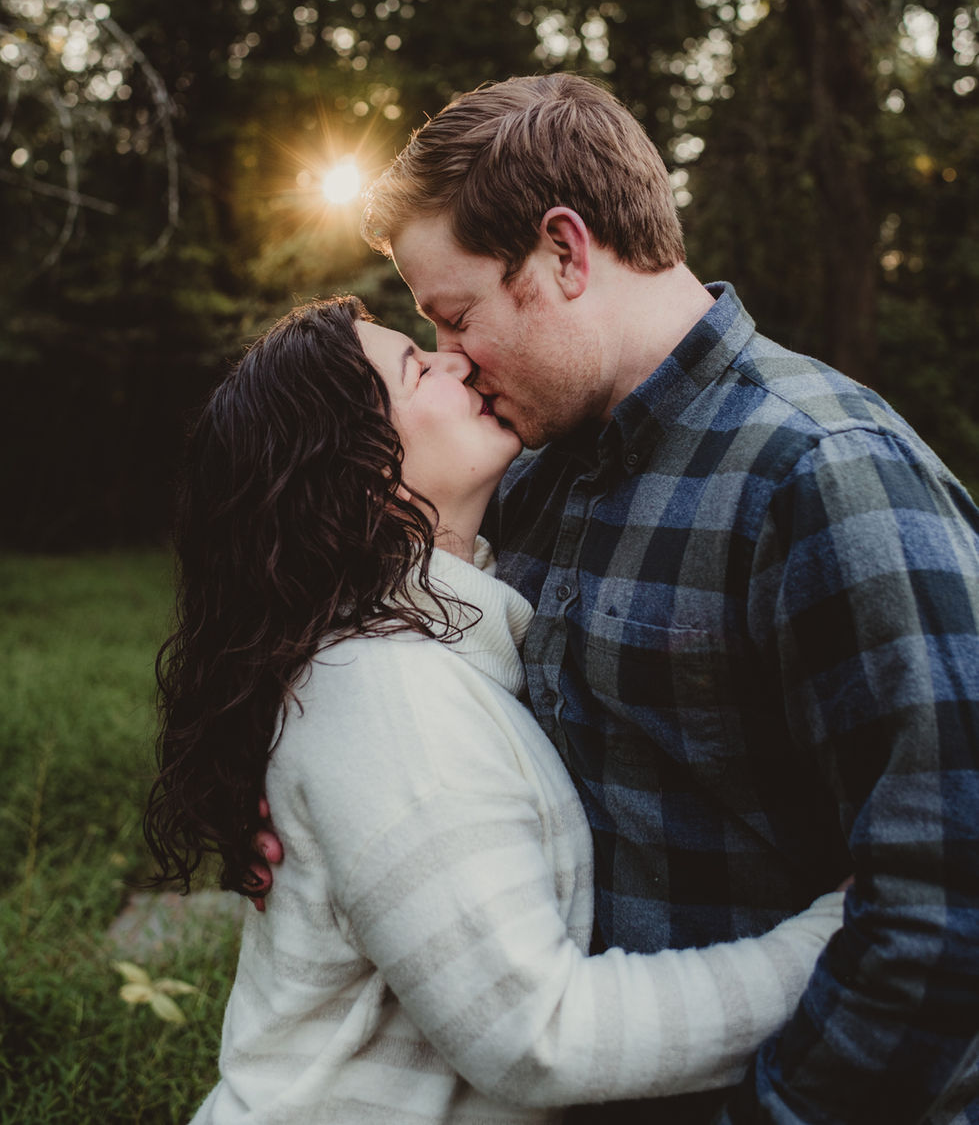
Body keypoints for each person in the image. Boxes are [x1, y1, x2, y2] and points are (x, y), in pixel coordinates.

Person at [347, 71, 979, 1125]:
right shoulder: (537, 468)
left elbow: (946, 910)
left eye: (455, 318)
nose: (451, 364)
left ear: (563, 251)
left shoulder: (823, 474)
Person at [144, 296, 847, 1125]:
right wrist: (835, 940)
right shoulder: (385, 698)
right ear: (361, 470)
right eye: (416, 366)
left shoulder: (431, 648)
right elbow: (537, 1036)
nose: (454, 361)